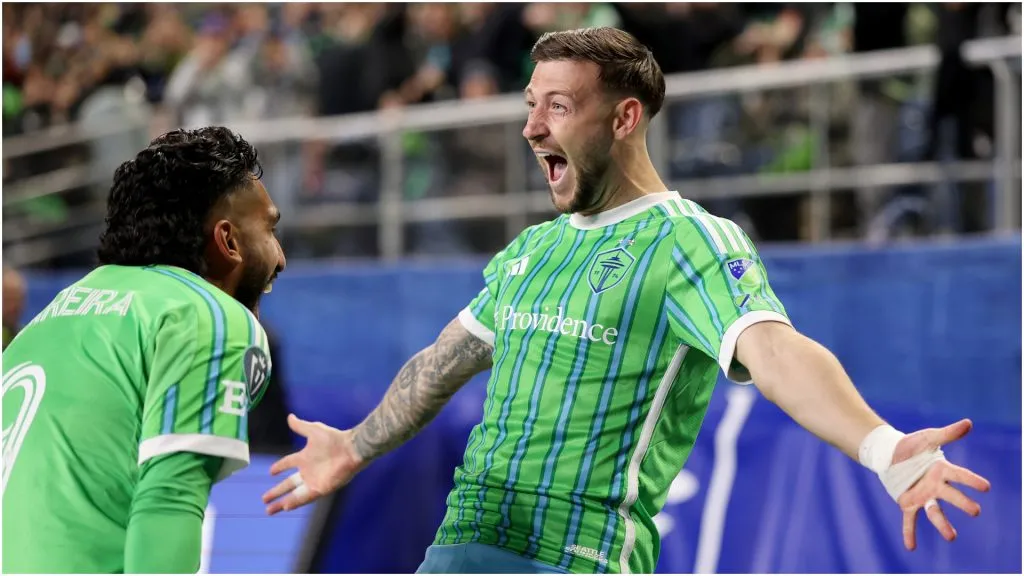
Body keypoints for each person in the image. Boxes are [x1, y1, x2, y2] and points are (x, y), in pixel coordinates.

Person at [261, 28, 990, 574]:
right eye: (529, 105)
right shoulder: (534, 250)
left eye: (557, 106)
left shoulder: (691, 241)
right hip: (459, 549)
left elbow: (774, 351)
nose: (531, 127)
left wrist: (884, 447)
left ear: (624, 119)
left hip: (579, 556)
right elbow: (441, 364)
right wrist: (355, 445)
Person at [2, 126, 286, 573]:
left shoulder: (45, 322)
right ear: (228, 242)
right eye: (270, 228)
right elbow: (169, 499)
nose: (281, 256)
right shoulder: (211, 318)